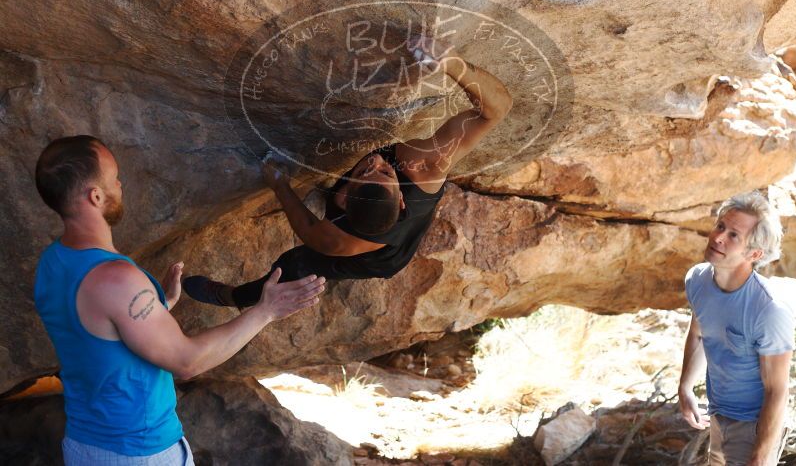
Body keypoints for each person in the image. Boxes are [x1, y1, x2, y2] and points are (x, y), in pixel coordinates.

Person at [33, 136, 325, 465]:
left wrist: (159, 308)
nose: (119, 183)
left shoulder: (52, 263)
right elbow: (187, 362)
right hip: (137, 452)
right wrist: (265, 311)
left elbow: (95, 331)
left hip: (85, 443)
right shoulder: (116, 279)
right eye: (113, 177)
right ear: (95, 196)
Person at [184, 35, 513, 308]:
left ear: (342, 203)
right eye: (377, 172)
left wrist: (280, 186)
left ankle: (230, 297)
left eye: (379, 172)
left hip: (381, 260)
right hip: (384, 223)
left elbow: (311, 230)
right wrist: (453, 65)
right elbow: (495, 109)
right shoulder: (416, 166)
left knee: (293, 267)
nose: (374, 163)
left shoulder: (341, 240)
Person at [678, 191, 794, 466]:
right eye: (721, 226)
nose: (718, 237)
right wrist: (685, 387)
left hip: (754, 426)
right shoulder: (697, 280)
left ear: (754, 253)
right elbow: (698, 332)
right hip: (718, 416)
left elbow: (777, 390)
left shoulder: (768, 310)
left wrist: (760, 456)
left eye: (733, 235)